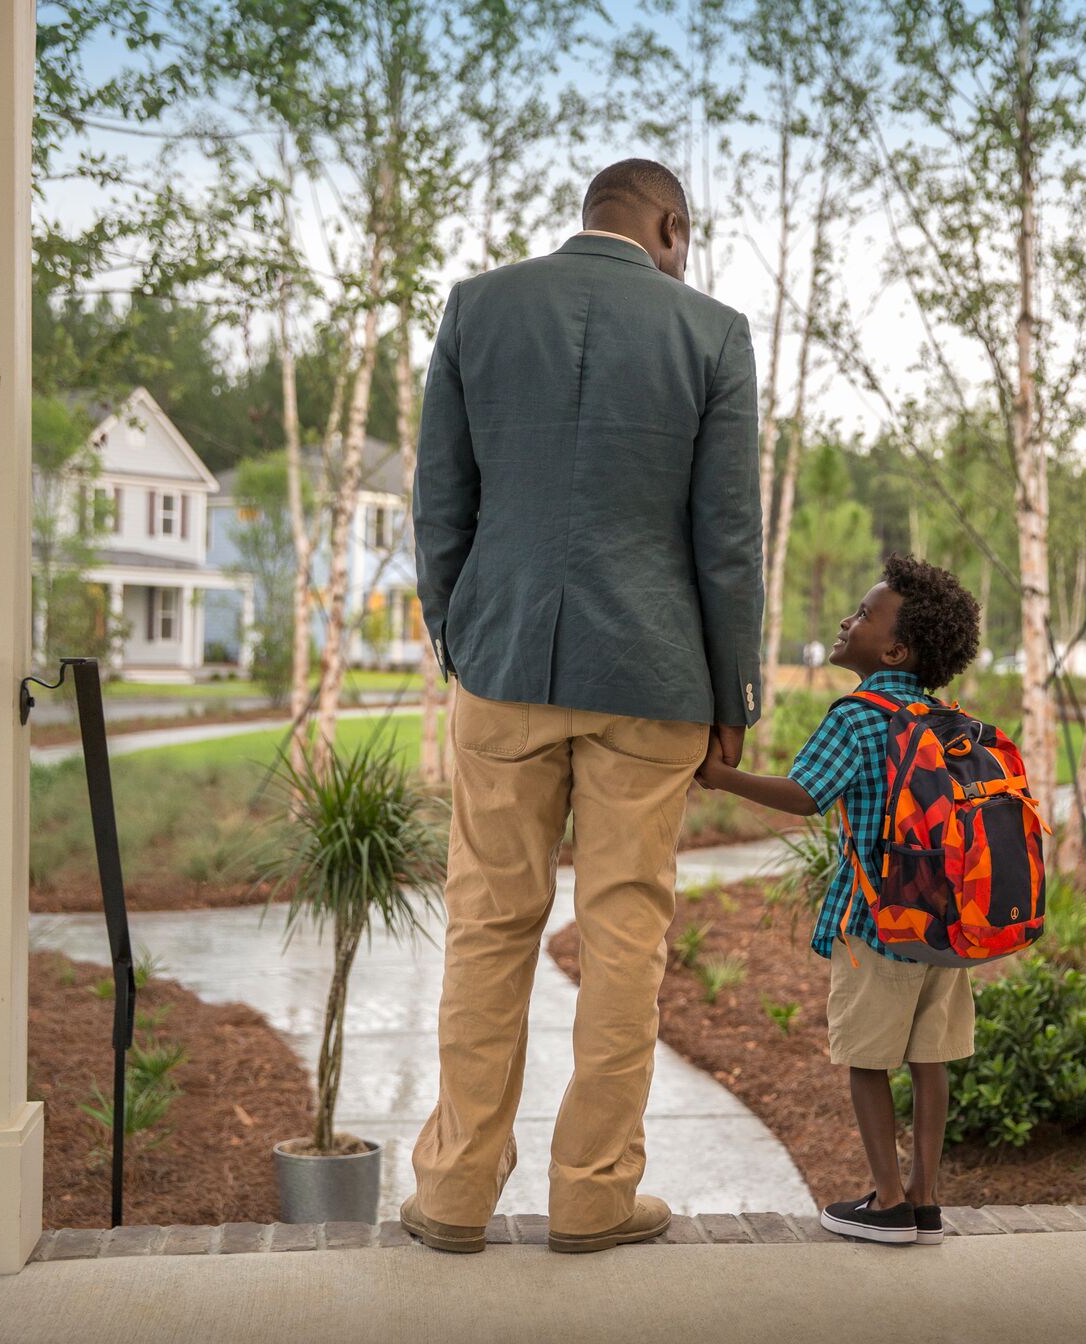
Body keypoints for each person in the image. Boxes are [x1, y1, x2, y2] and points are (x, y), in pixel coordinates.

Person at [402, 159, 762, 1255]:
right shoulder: (713, 332)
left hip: (501, 664)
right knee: (623, 938)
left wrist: (458, 636)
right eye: (684, 237)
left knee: (488, 925)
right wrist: (732, 688)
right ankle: (594, 1192)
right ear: (667, 223)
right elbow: (728, 537)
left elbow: (439, 500)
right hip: (652, 681)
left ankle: (456, 1190)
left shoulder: (477, 305)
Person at [696, 554, 983, 1246]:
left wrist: (720, 777)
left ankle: (886, 1203)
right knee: (929, 1060)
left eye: (863, 613)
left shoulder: (858, 715)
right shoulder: (947, 718)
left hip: (875, 924)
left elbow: (806, 795)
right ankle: (926, 1198)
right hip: (946, 926)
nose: (846, 619)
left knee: (866, 1060)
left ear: (893, 649)